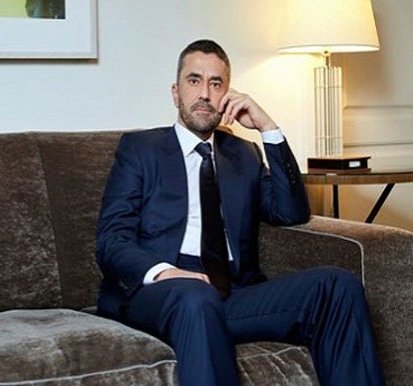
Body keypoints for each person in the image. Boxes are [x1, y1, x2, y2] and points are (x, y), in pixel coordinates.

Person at [95, 39, 385, 386]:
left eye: (216, 83)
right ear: (176, 93)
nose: (205, 93)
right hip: (162, 292)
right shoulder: (141, 149)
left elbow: (291, 212)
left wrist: (268, 129)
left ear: (228, 95)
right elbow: (111, 241)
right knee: (195, 297)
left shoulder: (244, 154)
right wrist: (165, 273)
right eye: (194, 80)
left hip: (232, 292)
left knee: (338, 286)